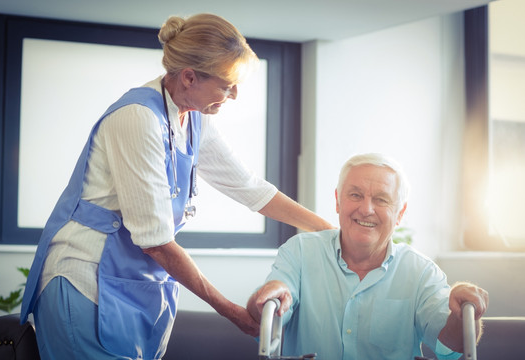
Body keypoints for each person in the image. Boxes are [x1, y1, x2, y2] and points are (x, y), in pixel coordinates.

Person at [20, 13, 333, 360]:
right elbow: (156, 242)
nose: (234, 95)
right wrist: (229, 310)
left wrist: (332, 233)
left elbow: (250, 189)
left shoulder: (195, 117)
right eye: (227, 85)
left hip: (131, 282)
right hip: (84, 282)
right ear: (189, 77)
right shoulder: (137, 118)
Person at [247, 153, 489, 360]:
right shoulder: (299, 252)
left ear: (400, 213)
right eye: (355, 195)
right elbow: (266, 322)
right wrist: (264, 297)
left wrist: (462, 314)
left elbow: (449, 347)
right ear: (338, 201)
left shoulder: (421, 271)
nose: (366, 209)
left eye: (381, 199)